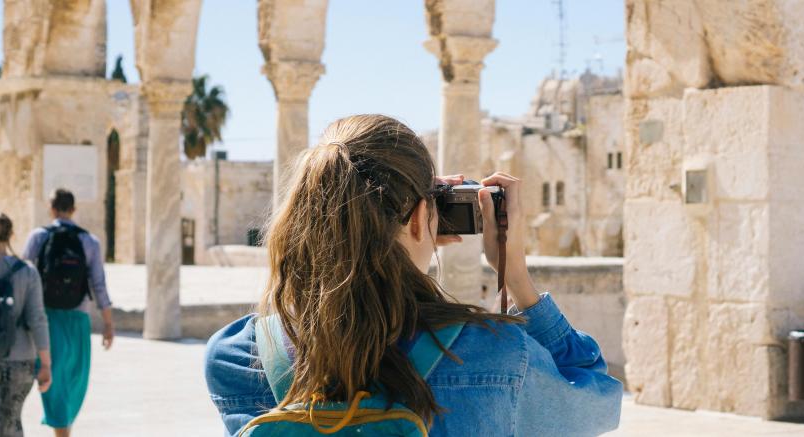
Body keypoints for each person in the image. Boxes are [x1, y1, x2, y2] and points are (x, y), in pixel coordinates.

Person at [204, 115, 622, 436]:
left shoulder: (236, 356)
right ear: (423, 218)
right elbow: (598, 401)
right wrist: (516, 277)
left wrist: (412, 225)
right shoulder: (495, 353)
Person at [23, 189, 115, 437]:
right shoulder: (90, 241)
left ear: (51, 208)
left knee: (56, 382)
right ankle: (63, 433)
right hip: (78, 319)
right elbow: (99, 286)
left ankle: (61, 431)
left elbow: (24, 279)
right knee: (74, 381)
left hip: (46, 318)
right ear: (74, 210)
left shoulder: (38, 237)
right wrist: (108, 324)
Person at [0, 212, 52, 437]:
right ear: (12, 234)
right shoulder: (27, 272)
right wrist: (45, 364)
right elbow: (37, 319)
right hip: (20, 359)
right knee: (12, 420)